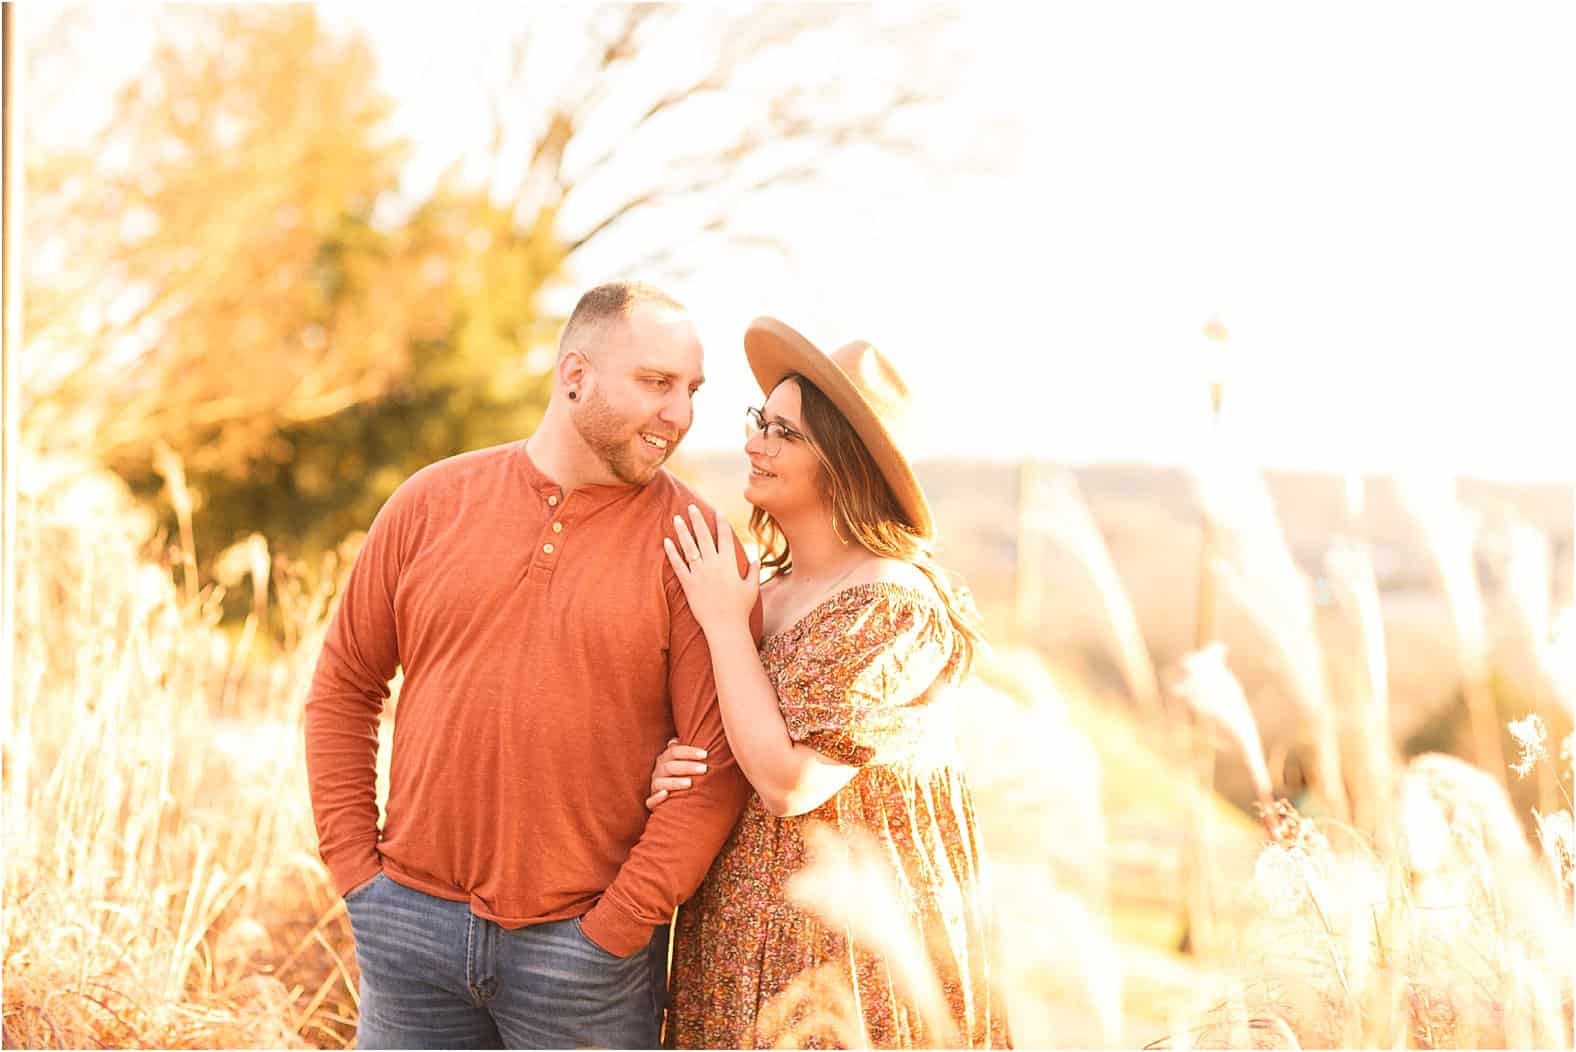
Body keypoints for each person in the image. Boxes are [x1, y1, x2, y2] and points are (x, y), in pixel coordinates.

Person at [303, 281, 757, 1049]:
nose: (678, 414)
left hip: (583, 957)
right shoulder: (429, 504)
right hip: (408, 929)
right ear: (574, 375)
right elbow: (344, 689)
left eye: (691, 390)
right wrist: (357, 873)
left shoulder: (697, 541)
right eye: (656, 383)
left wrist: (617, 927)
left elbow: (718, 761)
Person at [652, 317, 1011, 1048]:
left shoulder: (893, 603)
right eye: (760, 421)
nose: (755, 442)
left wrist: (724, 624)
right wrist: (673, 765)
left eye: (784, 433)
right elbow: (730, 739)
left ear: (846, 464)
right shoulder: (767, 588)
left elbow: (788, 783)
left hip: (842, 960)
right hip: (730, 940)